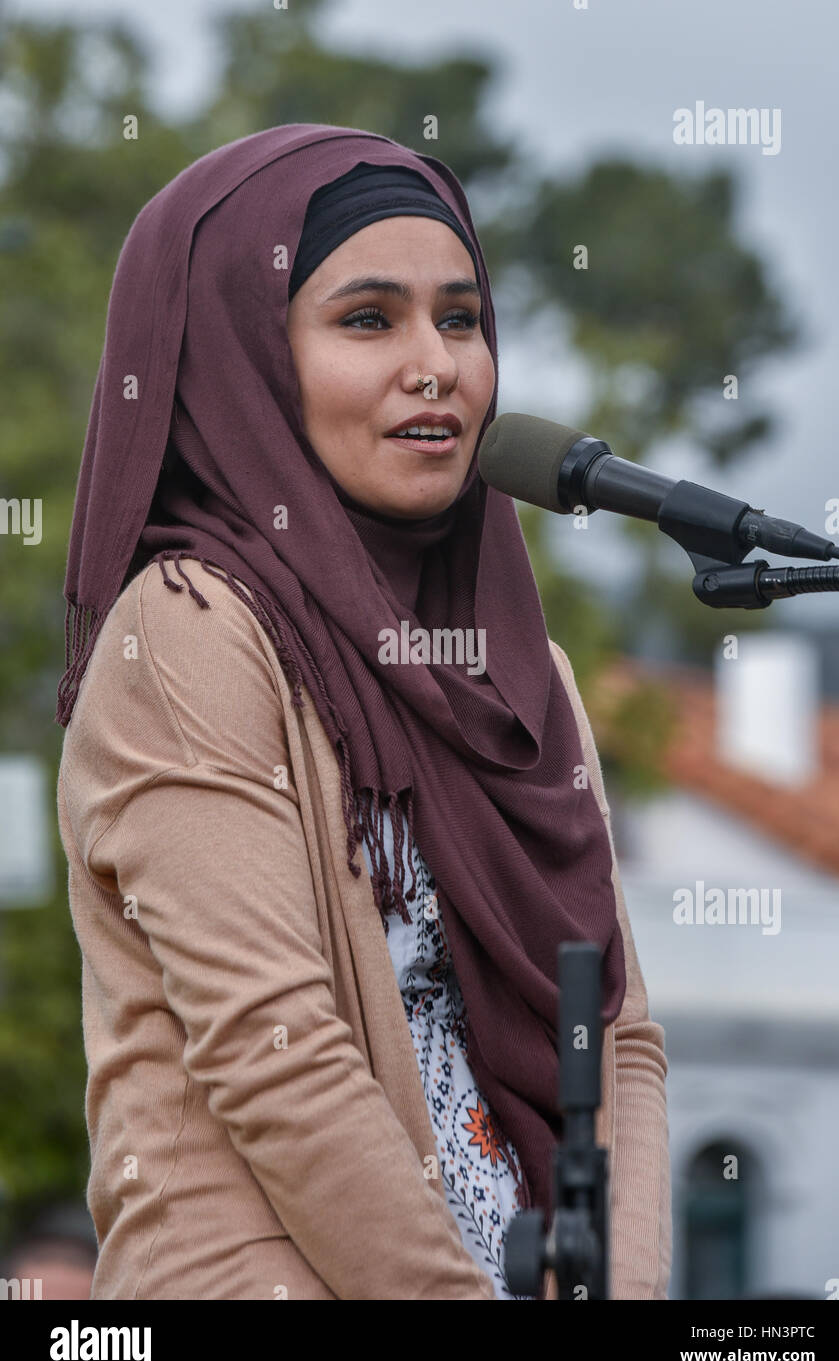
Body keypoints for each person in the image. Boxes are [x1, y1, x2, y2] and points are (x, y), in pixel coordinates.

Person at [55, 123, 672, 1300]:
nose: (436, 364)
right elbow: (268, 1052)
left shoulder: (520, 669)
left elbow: (621, 1040)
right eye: (367, 319)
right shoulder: (187, 629)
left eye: (461, 317)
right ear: (240, 362)